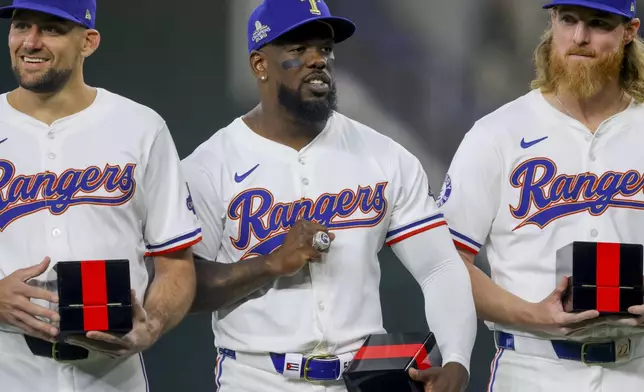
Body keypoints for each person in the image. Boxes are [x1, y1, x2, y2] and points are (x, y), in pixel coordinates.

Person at [181, 1, 477, 391]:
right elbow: (183, 287)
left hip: (364, 379)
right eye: (298, 49)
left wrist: (456, 357)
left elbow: (439, 267)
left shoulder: (383, 155)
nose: (317, 60)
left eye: (324, 48)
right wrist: (268, 264)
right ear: (259, 64)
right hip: (258, 378)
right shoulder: (209, 164)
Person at [436, 0, 644, 390]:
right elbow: (444, 264)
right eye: (568, 20)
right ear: (552, 21)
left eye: (598, 24)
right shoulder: (497, 134)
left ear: (630, 31)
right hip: (533, 367)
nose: (579, 37)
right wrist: (534, 314)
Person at [0, 0, 203, 391]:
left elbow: (176, 263)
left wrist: (152, 326)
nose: (31, 41)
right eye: (21, 26)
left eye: (52, 29)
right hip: (8, 364)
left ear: (88, 42)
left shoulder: (140, 127)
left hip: (111, 372)